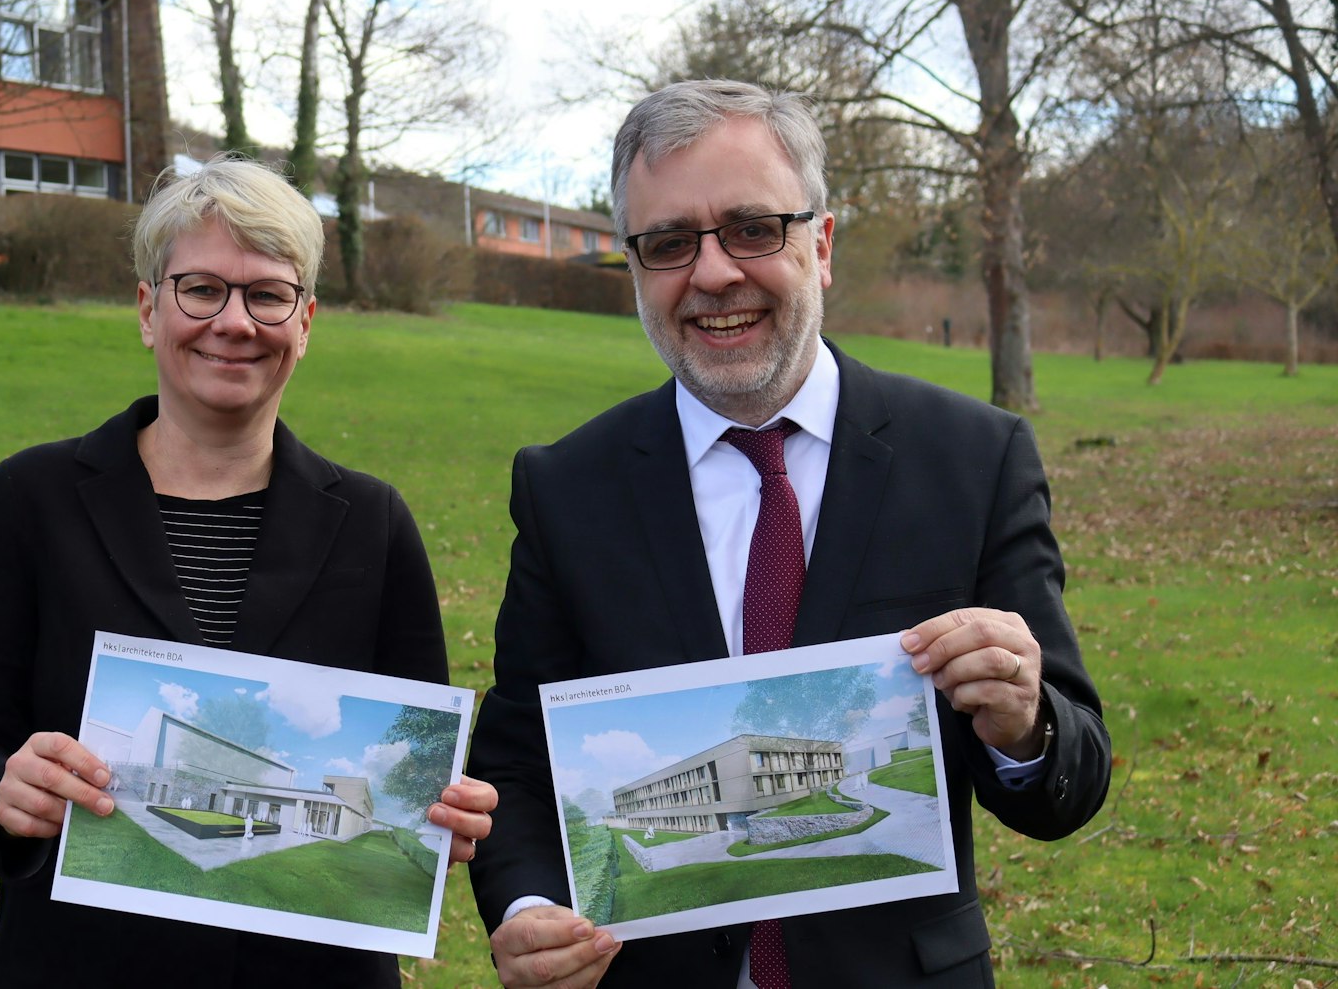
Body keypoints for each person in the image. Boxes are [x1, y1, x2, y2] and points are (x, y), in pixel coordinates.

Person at [464, 80, 1110, 988]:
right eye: (670, 243)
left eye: (753, 228)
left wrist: (1022, 724)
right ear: (637, 266)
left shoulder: (973, 458)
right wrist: (529, 908)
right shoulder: (569, 486)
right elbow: (519, 760)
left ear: (822, 242)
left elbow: (1069, 778)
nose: (715, 272)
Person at [0, 157, 496, 988]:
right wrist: (2, 789)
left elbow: (411, 764)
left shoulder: (375, 523)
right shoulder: (31, 500)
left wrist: (443, 811)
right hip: (81, 965)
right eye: (201, 289)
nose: (235, 321)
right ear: (149, 309)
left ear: (306, 322)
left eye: (267, 293)